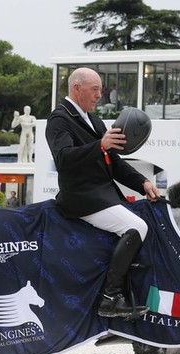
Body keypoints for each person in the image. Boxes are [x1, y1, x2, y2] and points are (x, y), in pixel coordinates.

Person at [45, 67, 160, 318]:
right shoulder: (58, 120)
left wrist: (143, 183)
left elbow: (114, 161)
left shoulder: (94, 120)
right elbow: (63, 159)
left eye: (100, 90)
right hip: (81, 198)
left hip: (102, 194)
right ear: (77, 88)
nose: (100, 95)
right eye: (95, 89)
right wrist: (99, 145)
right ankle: (110, 299)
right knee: (136, 228)